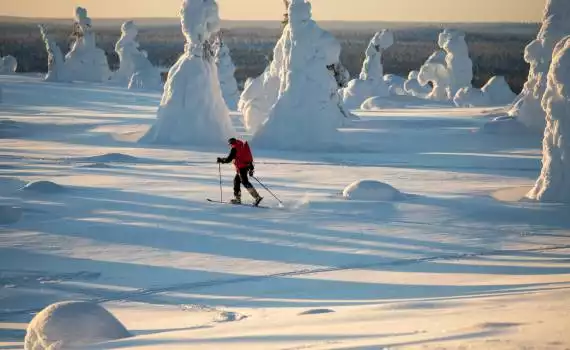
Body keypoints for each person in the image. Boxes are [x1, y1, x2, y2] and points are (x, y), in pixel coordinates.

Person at [217, 138, 263, 206]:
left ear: (232, 143)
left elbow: (228, 159)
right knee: (236, 181)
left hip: (242, 168)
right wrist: (251, 168)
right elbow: (248, 157)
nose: (230, 146)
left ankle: (257, 197)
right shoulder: (242, 145)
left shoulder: (234, 148)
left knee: (245, 182)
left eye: (230, 144)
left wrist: (221, 160)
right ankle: (238, 199)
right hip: (245, 167)